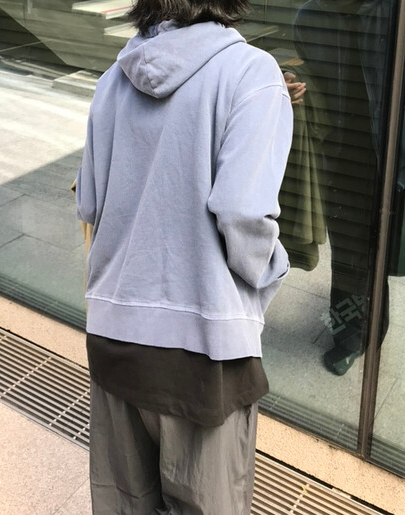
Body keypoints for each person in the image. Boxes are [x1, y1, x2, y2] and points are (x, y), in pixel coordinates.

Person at [75, 1, 293, 513]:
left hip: (114, 335)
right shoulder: (252, 73)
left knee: (123, 502)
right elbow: (242, 211)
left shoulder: (113, 80)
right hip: (204, 347)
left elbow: (88, 203)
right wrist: (270, 271)